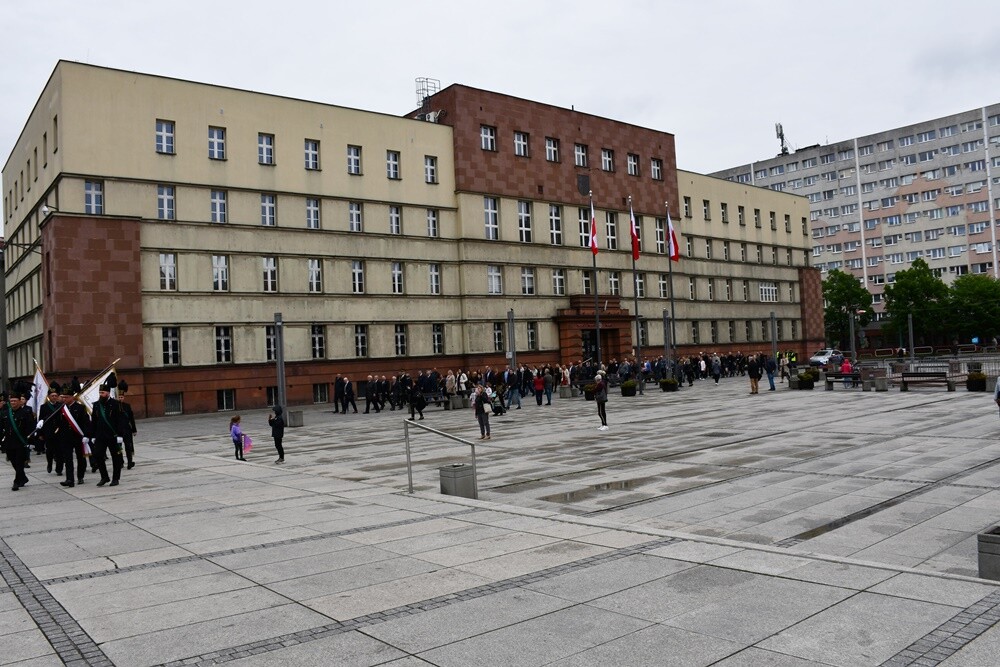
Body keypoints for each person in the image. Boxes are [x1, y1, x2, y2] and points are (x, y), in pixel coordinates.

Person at [91, 382, 127, 486]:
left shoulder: (116, 404)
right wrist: (93, 435)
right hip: (100, 436)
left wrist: (120, 435)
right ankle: (104, 477)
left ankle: (115, 478)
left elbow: (121, 420)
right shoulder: (96, 405)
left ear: (108, 393)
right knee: (97, 455)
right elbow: (94, 421)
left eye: (102, 393)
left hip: (113, 436)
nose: (101, 394)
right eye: (100, 392)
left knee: (116, 457)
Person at [57, 381, 90, 486]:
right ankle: (69, 479)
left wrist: (86, 435)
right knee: (68, 459)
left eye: (66, 397)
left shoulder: (80, 408)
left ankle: (80, 476)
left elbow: (86, 423)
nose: (64, 399)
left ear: (72, 397)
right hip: (66, 437)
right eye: (63, 397)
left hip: (78, 436)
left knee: (80, 458)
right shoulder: (61, 408)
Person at [3, 383, 35, 491]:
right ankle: (23, 478)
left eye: (15, 401)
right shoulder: (5, 413)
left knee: (19, 462)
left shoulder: (25, 413)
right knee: (13, 461)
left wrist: (31, 441)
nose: (13, 403)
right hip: (9, 442)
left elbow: (30, 428)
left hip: (21, 442)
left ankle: (16, 482)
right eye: (11, 401)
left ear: (19, 401)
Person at [38, 384, 62, 474]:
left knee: (59, 451)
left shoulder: (61, 406)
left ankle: (59, 469)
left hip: (59, 431)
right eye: (52, 396)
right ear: (48, 397)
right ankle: (50, 463)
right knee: (49, 450)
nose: (54, 397)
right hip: (48, 431)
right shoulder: (44, 407)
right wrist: (40, 433)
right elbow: (41, 420)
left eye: (56, 395)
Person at [117, 380, 138, 469]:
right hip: (118, 430)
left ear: (124, 397)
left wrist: (134, 430)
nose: (120, 398)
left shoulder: (127, 406)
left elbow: (131, 418)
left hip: (127, 429)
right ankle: (120, 462)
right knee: (119, 448)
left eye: (122, 397)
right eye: (119, 397)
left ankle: (130, 462)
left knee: (128, 447)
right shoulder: (114, 406)